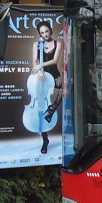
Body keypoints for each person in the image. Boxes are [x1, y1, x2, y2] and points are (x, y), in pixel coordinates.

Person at [30, 22, 64, 153]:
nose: (45, 35)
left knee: (65, 88)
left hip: (54, 75)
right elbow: (35, 61)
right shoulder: (36, 44)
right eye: (42, 33)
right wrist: (39, 71)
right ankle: (45, 140)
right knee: (40, 107)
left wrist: (40, 65)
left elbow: (55, 61)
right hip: (42, 76)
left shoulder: (58, 44)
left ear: (51, 30)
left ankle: (52, 108)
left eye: (47, 31)